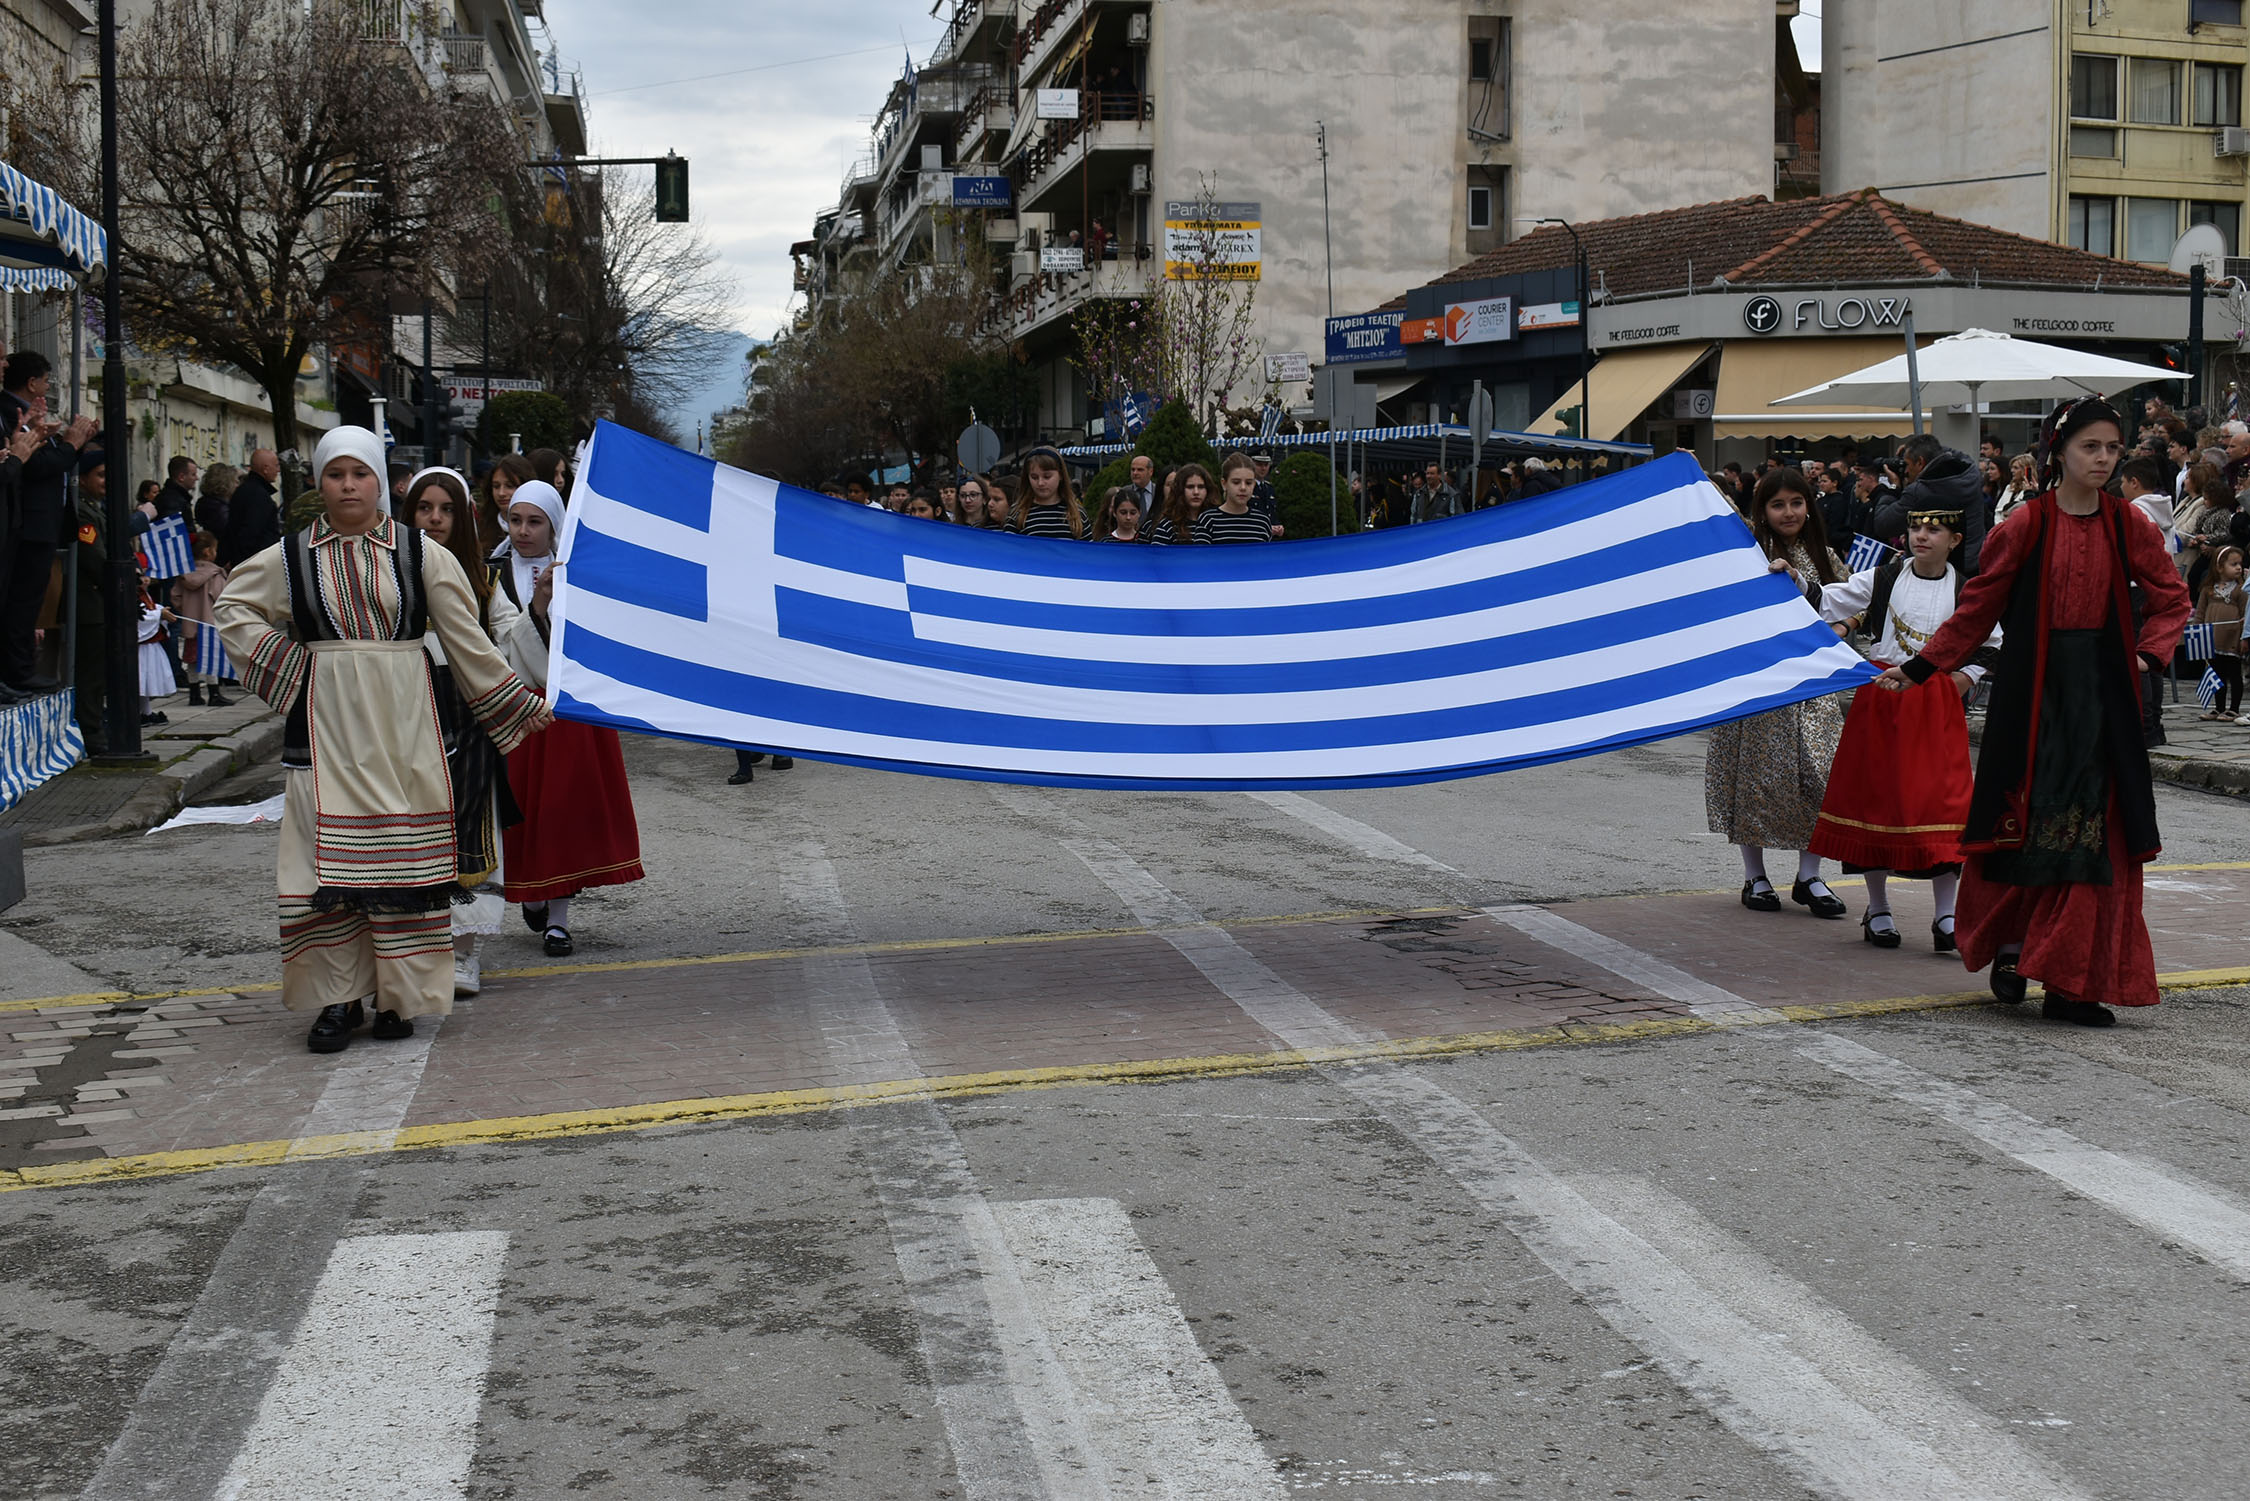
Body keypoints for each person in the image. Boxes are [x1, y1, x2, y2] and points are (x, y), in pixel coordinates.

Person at [216, 427, 551, 1052]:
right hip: (324, 729)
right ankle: (337, 1001)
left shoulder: (420, 553)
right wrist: (296, 672)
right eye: (336, 474)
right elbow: (233, 606)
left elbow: (466, 638)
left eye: (360, 474)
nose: (349, 485)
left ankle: (399, 998)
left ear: (378, 483)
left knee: (404, 864)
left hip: (404, 726)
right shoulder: (290, 556)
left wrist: (514, 701)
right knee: (323, 866)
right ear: (321, 483)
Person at [1881, 397, 2191, 1026]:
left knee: (2092, 833)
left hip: (2102, 703)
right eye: (2090, 447)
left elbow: (2172, 598)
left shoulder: (2127, 522)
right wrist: (1921, 668)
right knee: (2023, 821)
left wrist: (2147, 656)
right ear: (2060, 453)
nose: (2103, 459)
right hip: (2033, 699)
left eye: (2112, 448)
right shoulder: (2025, 523)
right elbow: (1978, 607)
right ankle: (2015, 946)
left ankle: (2072, 982)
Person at [1804, 501, 1999, 950]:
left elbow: (1992, 642)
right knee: (1877, 800)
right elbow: (1830, 597)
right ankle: (1878, 908)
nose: (1922, 536)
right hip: (1883, 695)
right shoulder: (1885, 577)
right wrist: (1794, 580)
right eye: (1916, 528)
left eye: (1934, 530)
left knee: (1944, 805)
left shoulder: (1967, 589)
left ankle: (1946, 915)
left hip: (1935, 706)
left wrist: (1959, 680)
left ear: (1954, 541)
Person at [406, 465, 547, 998]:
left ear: (462, 517)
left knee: (467, 832)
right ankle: (413, 950)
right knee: (410, 836)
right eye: (425, 508)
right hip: (402, 721)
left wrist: (537, 607)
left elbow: (512, 645)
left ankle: (465, 953)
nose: (435, 519)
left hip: (465, 725)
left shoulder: (484, 580)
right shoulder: (384, 574)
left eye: (446, 509)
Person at [493, 478, 646, 956]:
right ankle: (533, 894)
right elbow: (494, 645)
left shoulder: (577, 573)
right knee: (520, 814)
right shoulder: (491, 576)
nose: (523, 531)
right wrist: (536, 608)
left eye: (534, 521)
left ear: (554, 525)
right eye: (516, 520)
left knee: (563, 812)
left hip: (567, 714)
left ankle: (558, 918)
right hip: (516, 710)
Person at [1705, 468, 1850, 919]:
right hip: (1758, 685)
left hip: (1814, 688)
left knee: (1821, 778)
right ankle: (1756, 876)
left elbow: (1855, 603)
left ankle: (1810, 876)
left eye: (1796, 502)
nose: (1788, 512)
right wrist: (1694, 477)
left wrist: (1846, 624)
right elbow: (1713, 514)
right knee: (1753, 780)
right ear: (1762, 511)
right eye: (1777, 504)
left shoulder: (1827, 557)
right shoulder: (1745, 552)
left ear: (1809, 506)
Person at [1865, 432, 1986, 572]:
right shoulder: (1971, 472)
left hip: (1936, 570)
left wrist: (1892, 488)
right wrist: (1921, 448)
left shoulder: (1920, 491)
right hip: (1972, 563)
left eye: (1907, 464)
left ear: (1920, 462)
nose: (1906, 470)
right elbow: (1952, 453)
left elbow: (1883, 525)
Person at [70, 449, 111, 749]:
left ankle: (98, 725)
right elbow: (95, 558)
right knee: (91, 674)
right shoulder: (83, 511)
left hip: (100, 605)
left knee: (100, 673)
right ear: (82, 479)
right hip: (89, 605)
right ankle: (92, 732)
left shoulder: (96, 508)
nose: (105, 481)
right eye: (99, 475)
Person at [170, 529, 233, 707]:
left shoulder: (184, 574)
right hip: (210, 623)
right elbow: (222, 597)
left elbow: (175, 596)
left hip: (192, 624)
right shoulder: (215, 574)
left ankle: (194, 694)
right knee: (211, 658)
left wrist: (187, 610)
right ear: (208, 552)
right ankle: (214, 693)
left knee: (191, 659)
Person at [2196, 544, 2245, 723]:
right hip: (2212, 639)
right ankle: (2219, 707)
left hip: (2231, 639)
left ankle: (2234, 709)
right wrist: (2197, 632)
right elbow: (2200, 612)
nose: (2238, 567)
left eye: (2240, 564)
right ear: (2219, 567)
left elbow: (2244, 614)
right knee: (2216, 674)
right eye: (2233, 564)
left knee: (2234, 673)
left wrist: (2243, 638)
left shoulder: (2241, 590)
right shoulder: (2208, 589)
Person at [221, 448, 283, 568]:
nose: (278, 470)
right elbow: (251, 533)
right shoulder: (259, 496)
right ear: (265, 468)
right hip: (257, 564)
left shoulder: (244, 490)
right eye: (276, 465)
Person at [1197, 453, 1276, 544]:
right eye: (1236, 482)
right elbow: (1200, 555)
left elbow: (1266, 556)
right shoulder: (1208, 520)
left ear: (1254, 484)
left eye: (1248, 483)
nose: (1243, 487)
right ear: (1224, 484)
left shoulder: (1262, 521)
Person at [1011, 450, 1085, 537]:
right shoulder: (1017, 513)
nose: (1040, 483)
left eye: (1047, 477)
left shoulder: (1077, 513)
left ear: (1061, 475)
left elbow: (1088, 549)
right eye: (1034, 477)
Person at [1145, 464, 1210, 545]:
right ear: (1180, 490)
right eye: (1190, 487)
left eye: (1201, 487)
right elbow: (1158, 556)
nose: (1196, 492)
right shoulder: (1167, 526)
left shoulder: (1215, 522)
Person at [195, 463, 237, 538]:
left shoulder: (203, 502)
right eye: (234, 481)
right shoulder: (220, 510)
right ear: (226, 483)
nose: (237, 485)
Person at [154, 454, 198, 520]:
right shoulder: (173, 502)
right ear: (181, 477)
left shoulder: (178, 498)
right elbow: (174, 528)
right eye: (193, 474)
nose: (197, 478)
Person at [1126, 453, 1157, 518]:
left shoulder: (1159, 491)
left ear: (1150, 472)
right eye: (1133, 469)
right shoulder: (1124, 492)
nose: (1135, 473)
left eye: (1140, 470)